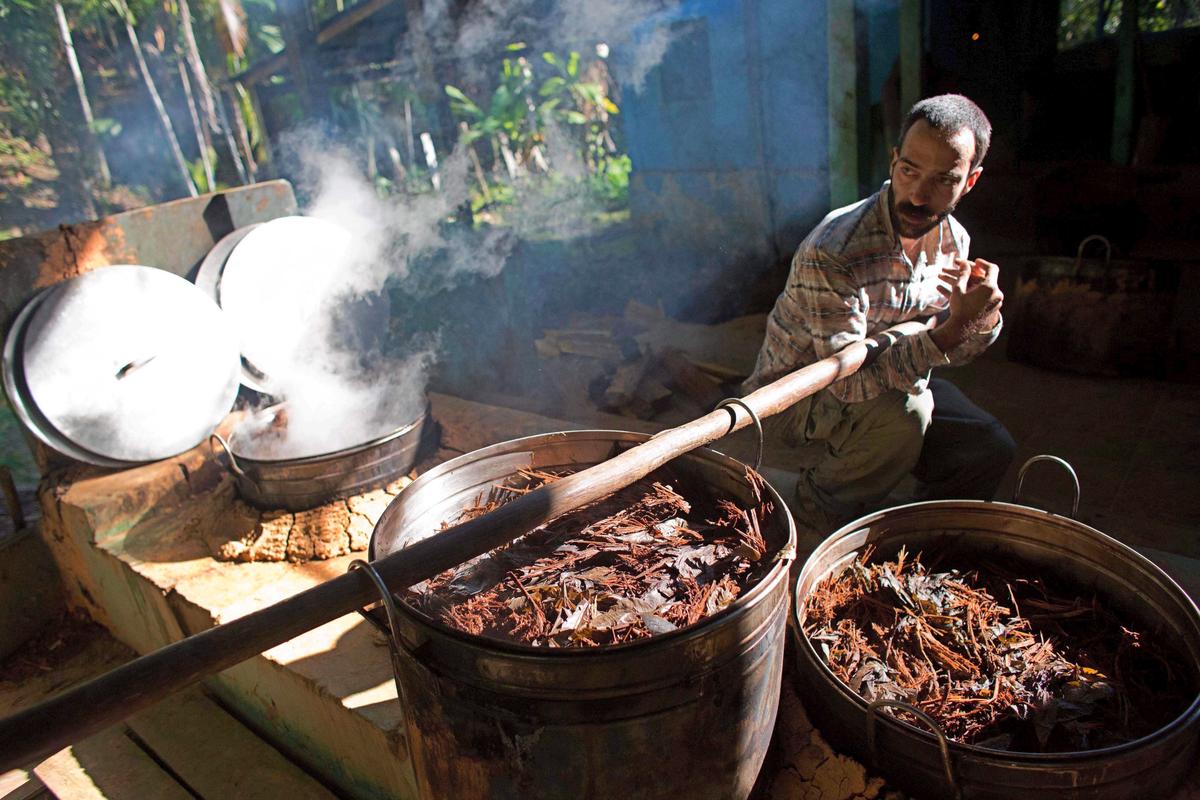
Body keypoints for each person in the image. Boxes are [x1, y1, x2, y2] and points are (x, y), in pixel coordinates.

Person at [745, 94, 1015, 537]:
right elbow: (847, 381)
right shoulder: (834, 250)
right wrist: (951, 333)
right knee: (908, 412)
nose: (918, 195)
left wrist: (981, 318)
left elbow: (954, 350)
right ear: (893, 162)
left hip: (891, 379)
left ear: (970, 182)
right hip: (794, 401)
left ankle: (919, 535)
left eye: (943, 180)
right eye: (909, 170)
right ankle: (819, 508)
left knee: (988, 447)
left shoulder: (953, 241)